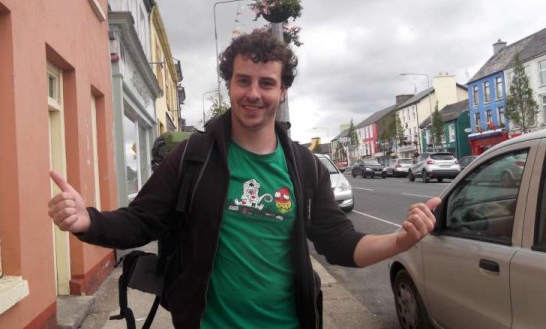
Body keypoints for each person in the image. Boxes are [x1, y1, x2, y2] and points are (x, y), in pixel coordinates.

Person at [48, 31, 440, 329]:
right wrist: (89, 221)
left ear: (282, 89)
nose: (254, 93)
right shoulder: (192, 158)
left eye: (266, 83)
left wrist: (399, 241)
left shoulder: (304, 167)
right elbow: (141, 221)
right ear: (230, 85)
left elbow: (338, 243)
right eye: (243, 81)